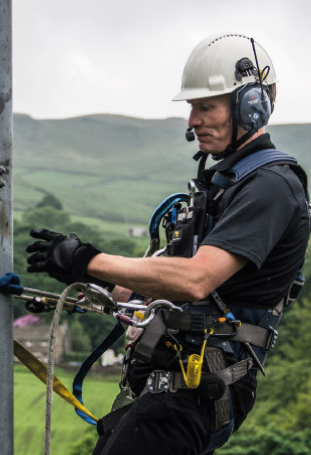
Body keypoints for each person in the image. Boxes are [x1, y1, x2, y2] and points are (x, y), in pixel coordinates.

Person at [26, 33, 309, 455]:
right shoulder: (224, 189)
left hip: (199, 386)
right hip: (173, 385)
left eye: (204, 107)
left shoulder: (270, 187)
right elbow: (153, 294)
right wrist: (84, 273)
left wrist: (92, 259)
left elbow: (196, 280)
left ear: (251, 106)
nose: (192, 120)